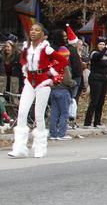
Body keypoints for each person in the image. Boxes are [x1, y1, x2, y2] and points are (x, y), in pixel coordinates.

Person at [8, 22, 68, 158]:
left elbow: (63, 61)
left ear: (42, 34)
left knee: (39, 115)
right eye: (31, 30)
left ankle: (40, 147)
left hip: (43, 82)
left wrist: (51, 72)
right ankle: (20, 147)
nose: (33, 32)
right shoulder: (26, 47)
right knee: (22, 112)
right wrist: (25, 69)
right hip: (29, 81)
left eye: (36, 30)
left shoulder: (46, 48)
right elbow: (23, 60)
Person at [84, 37, 107, 128]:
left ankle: (97, 122)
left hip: (104, 79)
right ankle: (87, 122)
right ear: (97, 45)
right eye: (100, 44)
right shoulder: (94, 53)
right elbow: (98, 57)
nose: (102, 46)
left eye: (104, 44)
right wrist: (106, 47)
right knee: (94, 101)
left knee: (101, 101)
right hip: (96, 78)